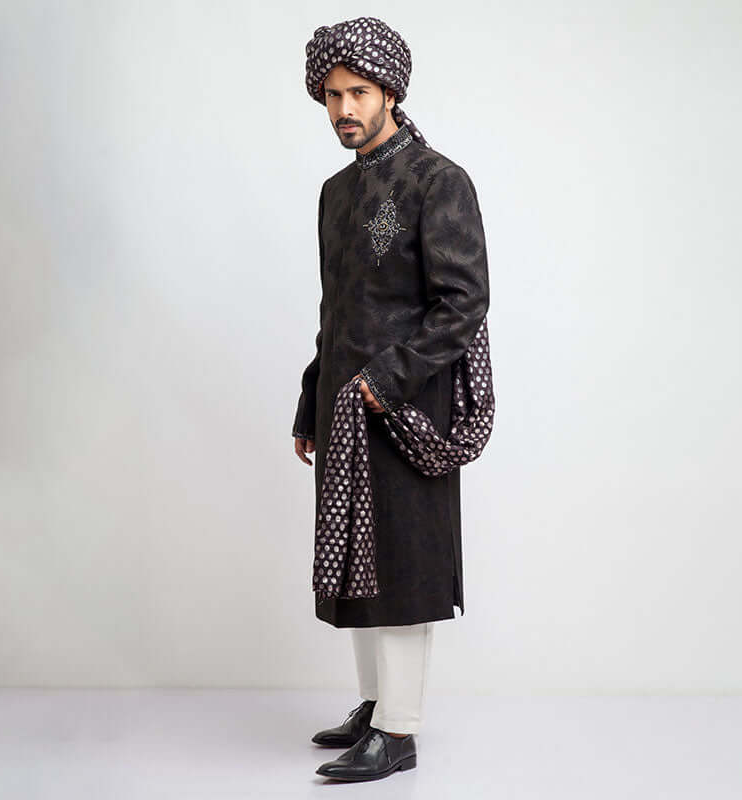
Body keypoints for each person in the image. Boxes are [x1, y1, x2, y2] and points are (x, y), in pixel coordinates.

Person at [292, 17, 491, 782]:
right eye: (332, 94)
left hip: (405, 411)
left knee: (403, 562)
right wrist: (316, 399)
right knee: (355, 558)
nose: (344, 108)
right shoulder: (336, 193)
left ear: (391, 92)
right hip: (345, 404)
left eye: (358, 92)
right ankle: (375, 707)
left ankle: (400, 732)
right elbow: (333, 310)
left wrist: (385, 382)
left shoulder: (439, 181)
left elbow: (464, 303)